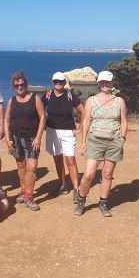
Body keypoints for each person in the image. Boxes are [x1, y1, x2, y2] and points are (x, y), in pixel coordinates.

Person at [76, 70, 127, 217]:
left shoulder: (119, 101)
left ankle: (103, 203)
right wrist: (84, 142)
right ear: (99, 83)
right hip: (95, 140)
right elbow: (86, 121)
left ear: (112, 83)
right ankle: (81, 199)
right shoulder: (91, 101)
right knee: (89, 174)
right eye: (102, 82)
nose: (105, 84)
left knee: (107, 174)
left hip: (114, 141)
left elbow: (123, 121)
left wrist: (122, 139)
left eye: (107, 82)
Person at [4, 69, 46, 211]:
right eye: (17, 85)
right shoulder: (11, 101)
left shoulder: (35, 98)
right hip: (16, 138)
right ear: (14, 87)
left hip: (32, 138)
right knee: (21, 166)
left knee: (32, 167)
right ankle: (24, 191)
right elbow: (6, 120)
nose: (20, 87)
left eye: (22, 84)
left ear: (26, 84)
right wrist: (7, 138)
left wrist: (39, 137)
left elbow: (42, 118)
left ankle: (29, 196)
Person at [42, 71, 84, 202]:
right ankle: (63, 185)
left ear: (64, 83)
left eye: (60, 81)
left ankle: (76, 189)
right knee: (57, 159)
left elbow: (82, 110)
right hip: (52, 131)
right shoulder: (48, 96)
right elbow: (38, 109)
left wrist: (80, 128)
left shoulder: (70, 95)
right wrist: (41, 125)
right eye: (55, 82)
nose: (58, 84)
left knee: (70, 160)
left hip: (68, 132)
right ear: (53, 82)